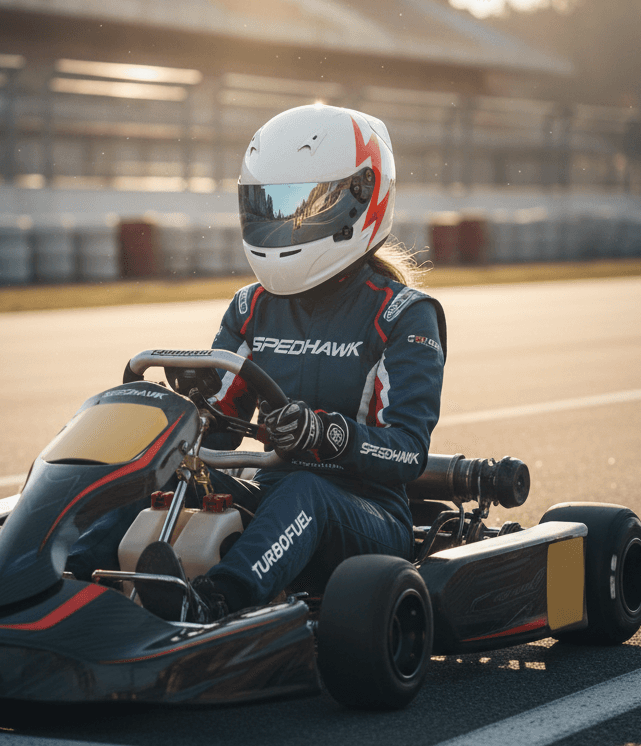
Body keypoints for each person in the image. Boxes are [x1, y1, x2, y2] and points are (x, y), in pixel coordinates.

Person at [69, 103, 446, 624]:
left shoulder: (403, 314)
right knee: (164, 475)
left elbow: (408, 453)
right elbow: (214, 436)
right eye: (270, 206)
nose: (283, 223)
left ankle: (215, 601)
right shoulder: (252, 307)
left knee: (303, 488)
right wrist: (183, 422)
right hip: (272, 498)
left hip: (369, 514)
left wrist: (328, 434)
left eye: (305, 207)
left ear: (361, 198)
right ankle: (67, 578)